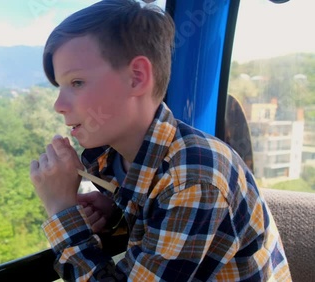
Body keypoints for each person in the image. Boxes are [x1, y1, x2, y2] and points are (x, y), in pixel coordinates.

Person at [29, 0, 292, 281]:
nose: (59, 105)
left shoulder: (193, 180)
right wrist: (117, 215)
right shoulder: (120, 158)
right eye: (60, 86)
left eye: (77, 82)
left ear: (136, 77)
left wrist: (61, 210)